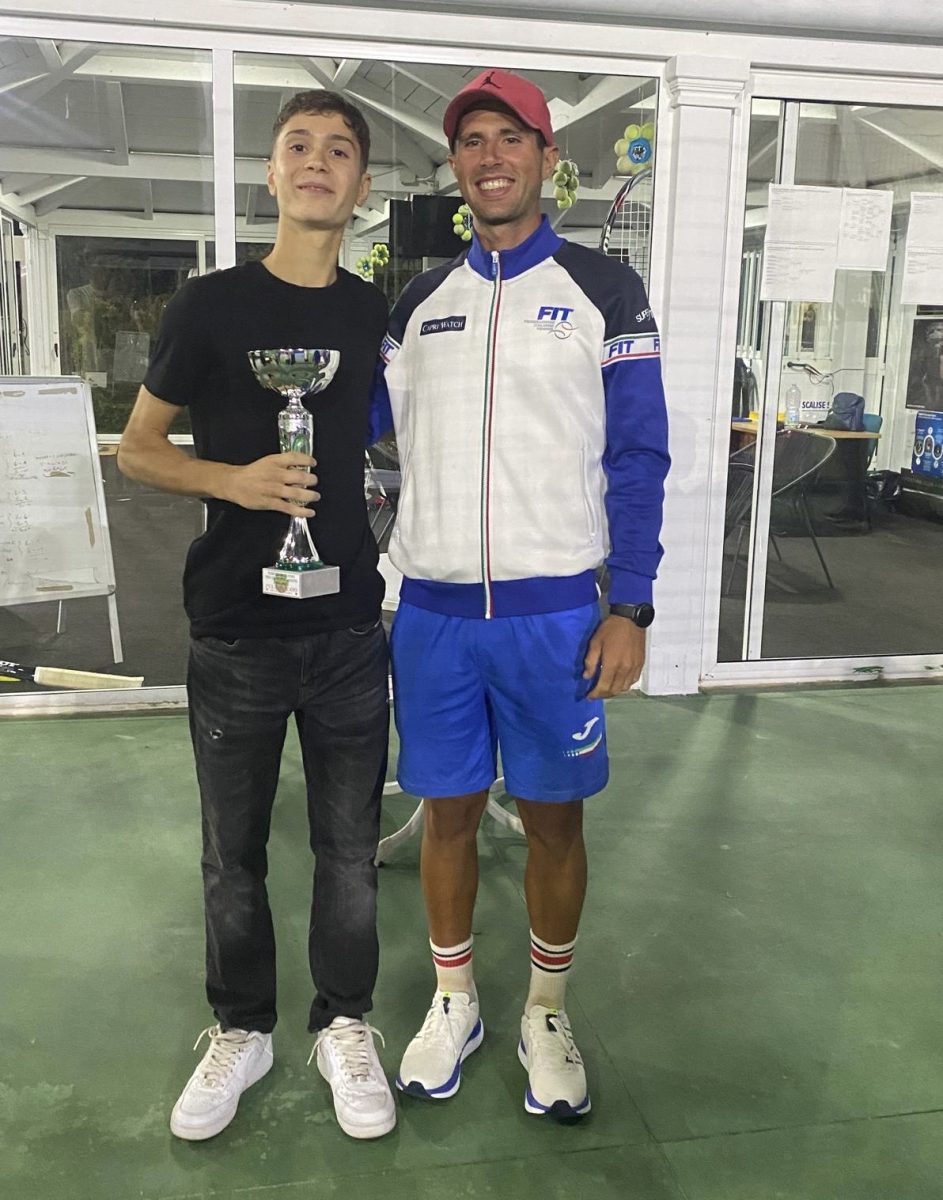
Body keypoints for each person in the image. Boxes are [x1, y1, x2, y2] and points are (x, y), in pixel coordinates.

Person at [370, 68, 670, 1120]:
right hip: (433, 615)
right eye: (471, 141)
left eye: (510, 138)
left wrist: (629, 605)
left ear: (547, 159)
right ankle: (454, 998)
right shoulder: (416, 304)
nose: (489, 156)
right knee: (444, 814)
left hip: (555, 617)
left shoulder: (605, 293)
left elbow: (639, 455)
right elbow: (351, 421)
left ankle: (545, 1010)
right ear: (455, 165)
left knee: (553, 823)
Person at [117, 91, 396, 1142]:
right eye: (298, 147)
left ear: (361, 188)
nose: (318, 163)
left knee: (349, 850)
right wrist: (232, 482)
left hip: (349, 630)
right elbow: (138, 449)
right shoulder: (208, 307)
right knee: (231, 854)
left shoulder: (373, 315)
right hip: (236, 626)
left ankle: (344, 1022)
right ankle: (243, 1028)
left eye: (340, 151)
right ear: (271, 176)